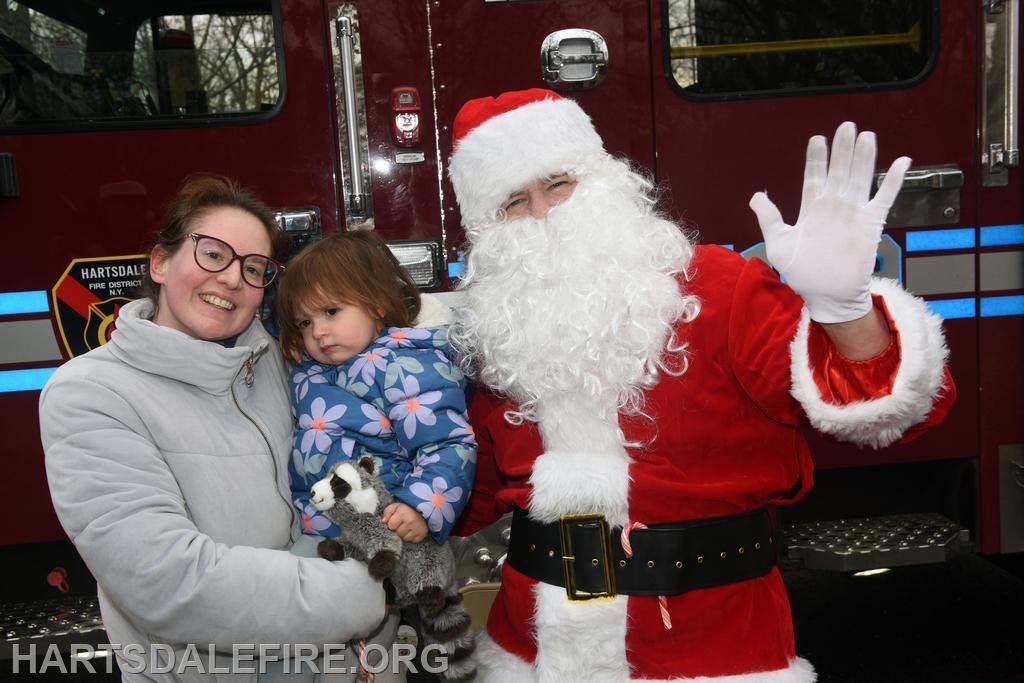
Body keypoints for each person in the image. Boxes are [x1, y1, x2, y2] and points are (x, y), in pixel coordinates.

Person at [446, 89, 956, 681]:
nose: (542, 213)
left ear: (606, 181)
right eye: (514, 201)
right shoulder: (501, 330)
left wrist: (845, 313)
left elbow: (901, 409)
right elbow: (468, 486)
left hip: (712, 648)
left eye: (558, 185)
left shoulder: (720, 288)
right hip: (532, 652)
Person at [40, 175, 392, 682]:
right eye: (212, 254)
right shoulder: (90, 394)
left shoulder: (280, 357)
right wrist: (367, 591)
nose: (231, 279)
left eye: (254, 268)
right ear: (160, 263)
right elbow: (168, 583)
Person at [274, 231, 477, 548]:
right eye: (304, 323)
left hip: (388, 533)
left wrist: (418, 506)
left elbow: (447, 444)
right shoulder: (312, 370)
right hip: (321, 534)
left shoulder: (404, 367)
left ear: (377, 304)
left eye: (331, 311)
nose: (318, 331)